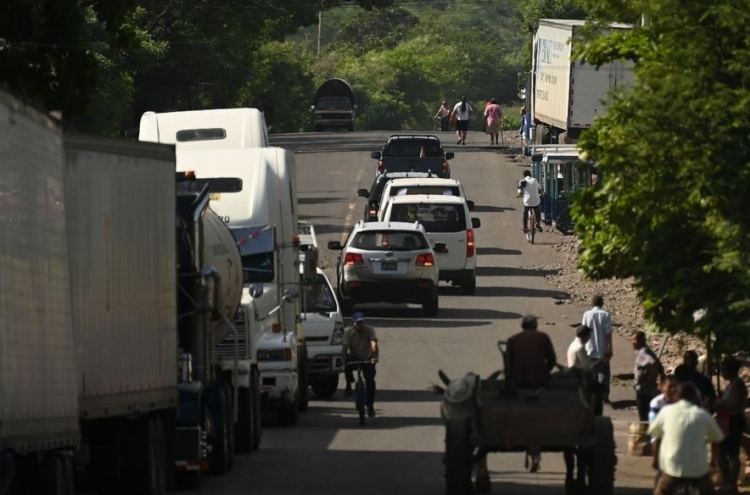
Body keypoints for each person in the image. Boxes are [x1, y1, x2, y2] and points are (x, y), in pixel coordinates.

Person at [648, 383, 724, 495]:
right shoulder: (702, 415)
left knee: (661, 490)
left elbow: (656, 436)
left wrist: (655, 460)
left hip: (673, 468)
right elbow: (716, 438)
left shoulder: (666, 412)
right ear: (695, 397)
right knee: (708, 491)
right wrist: (713, 461)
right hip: (698, 470)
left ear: (675, 396)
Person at [715, 356, 747, 493]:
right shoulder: (732, 384)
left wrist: (719, 403)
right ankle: (726, 482)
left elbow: (731, 404)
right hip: (726, 421)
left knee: (732, 453)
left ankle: (731, 484)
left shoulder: (737, 385)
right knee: (723, 454)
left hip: (733, 421)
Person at [341, 312, 379, 418]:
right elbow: (345, 347)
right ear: (353, 323)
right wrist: (343, 358)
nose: (360, 325)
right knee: (347, 364)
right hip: (354, 357)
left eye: (361, 322)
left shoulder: (369, 330)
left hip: (367, 358)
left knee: (370, 381)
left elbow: (374, 344)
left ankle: (370, 406)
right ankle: (349, 384)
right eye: (357, 323)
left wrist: (375, 357)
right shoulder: (348, 332)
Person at [506, 315, 557, 389]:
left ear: (522, 325)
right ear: (536, 325)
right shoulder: (543, 337)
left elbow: (509, 363)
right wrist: (544, 372)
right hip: (540, 378)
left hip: (519, 379)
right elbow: (552, 360)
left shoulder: (513, 339)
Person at [582, 294, 613, 403]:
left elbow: (583, 332)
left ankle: (592, 396)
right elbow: (608, 333)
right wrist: (610, 348)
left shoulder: (586, 314)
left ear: (592, 303)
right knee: (604, 374)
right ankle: (604, 396)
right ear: (602, 303)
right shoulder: (605, 315)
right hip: (602, 350)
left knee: (592, 375)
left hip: (589, 349)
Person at [632, 330, 664, 421]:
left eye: (634, 340)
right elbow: (661, 368)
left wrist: (644, 376)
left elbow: (652, 363)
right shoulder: (648, 351)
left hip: (644, 391)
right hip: (650, 390)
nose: (632, 343)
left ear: (641, 340)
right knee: (649, 417)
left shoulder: (643, 352)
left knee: (644, 418)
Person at [517, 170, 543, 234]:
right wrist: (541, 194)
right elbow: (540, 189)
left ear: (524, 175)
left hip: (527, 202)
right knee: (538, 211)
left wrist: (521, 194)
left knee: (525, 213)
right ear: (530, 174)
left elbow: (520, 192)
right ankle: (538, 223)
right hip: (536, 201)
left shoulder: (522, 181)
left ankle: (525, 228)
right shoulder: (534, 180)